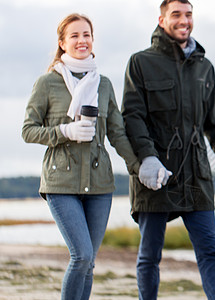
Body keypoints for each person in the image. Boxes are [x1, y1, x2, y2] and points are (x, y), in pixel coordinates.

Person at [121, 1, 215, 299]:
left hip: (196, 177)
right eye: (176, 15)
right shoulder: (140, 62)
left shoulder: (204, 67)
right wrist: (147, 159)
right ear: (162, 19)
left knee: (210, 252)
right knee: (149, 255)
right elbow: (132, 117)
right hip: (156, 176)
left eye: (188, 14)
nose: (184, 21)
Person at [22, 13, 140, 300]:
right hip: (61, 184)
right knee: (82, 255)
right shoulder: (47, 83)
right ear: (62, 43)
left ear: (92, 40)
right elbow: (28, 130)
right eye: (74, 36)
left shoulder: (104, 85)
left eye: (86, 34)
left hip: (100, 185)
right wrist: (65, 130)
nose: (81, 40)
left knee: (90, 263)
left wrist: (139, 166)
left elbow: (117, 134)